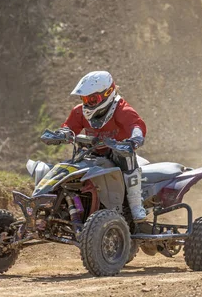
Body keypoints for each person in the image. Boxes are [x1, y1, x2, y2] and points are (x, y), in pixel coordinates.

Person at [56, 70, 147, 222]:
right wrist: (62, 134)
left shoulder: (121, 109)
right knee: (70, 166)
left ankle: (136, 205)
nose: (87, 103)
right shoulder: (79, 111)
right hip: (92, 153)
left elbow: (136, 124)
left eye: (92, 99)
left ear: (109, 93)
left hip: (119, 153)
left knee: (125, 156)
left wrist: (134, 138)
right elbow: (69, 127)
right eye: (84, 99)